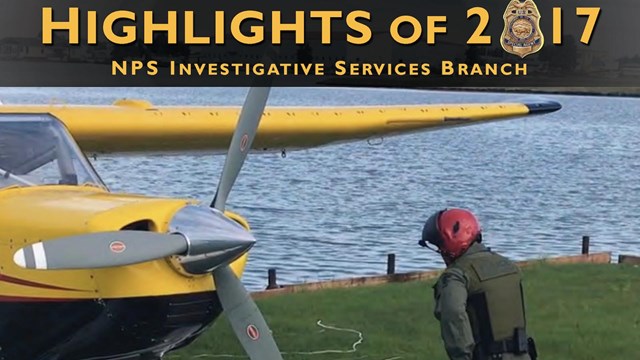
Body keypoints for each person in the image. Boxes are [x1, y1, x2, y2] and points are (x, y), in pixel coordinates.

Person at [419, 208, 537, 360]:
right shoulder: (508, 265)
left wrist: (462, 356)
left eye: (440, 247)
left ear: (450, 244)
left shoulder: (456, 275)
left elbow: (453, 315)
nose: (441, 253)